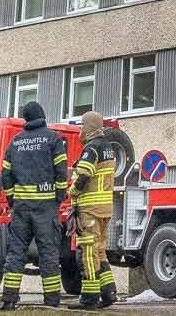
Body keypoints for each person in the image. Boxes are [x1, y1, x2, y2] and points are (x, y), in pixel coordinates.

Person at [0, 102, 68, 310]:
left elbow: (5, 173)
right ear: (42, 116)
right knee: (48, 253)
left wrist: (11, 199)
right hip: (46, 207)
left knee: (16, 253)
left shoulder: (15, 142)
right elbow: (61, 171)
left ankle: (8, 300)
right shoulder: (53, 139)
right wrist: (58, 197)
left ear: (25, 119)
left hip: (21, 208)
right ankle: (51, 302)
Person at [66, 112, 117, 309]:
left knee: (87, 251)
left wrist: (72, 191)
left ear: (89, 127)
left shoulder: (92, 148)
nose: (80, 130)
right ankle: (108, 291)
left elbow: (85, 175)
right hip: (105, 209)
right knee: (99, 251)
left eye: (82, 126)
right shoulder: (109, 148)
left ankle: (89, 297)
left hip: (90, 209)